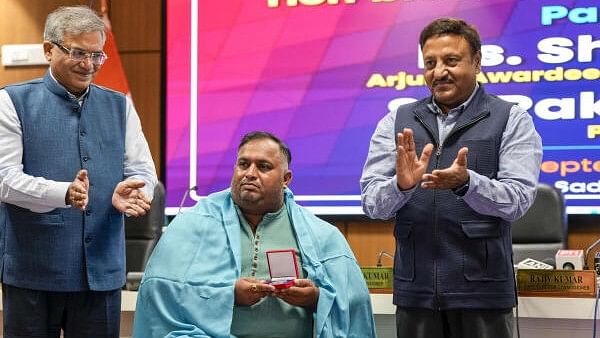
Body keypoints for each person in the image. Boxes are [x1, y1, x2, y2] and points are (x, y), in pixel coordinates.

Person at [360, 18, 542, 338]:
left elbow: (518, 199)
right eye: (430, 63)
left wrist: (467, 183)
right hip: (416, 294)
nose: (439, 71)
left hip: (482, 294)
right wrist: (401, 185)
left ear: (477, 62)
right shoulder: (396, 121)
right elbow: (372, 203)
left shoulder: (511, 118)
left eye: (451, 61)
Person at [0, 5, 157, 338]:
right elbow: (5, 180)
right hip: (33, 271)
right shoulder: (12, 102)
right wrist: (63, 194)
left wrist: (132, 190)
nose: (89, 65)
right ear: (48, 50)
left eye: (97, 56)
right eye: (78, 53)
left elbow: (143, 168)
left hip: (101, 271)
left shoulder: (119, 104)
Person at [133, 131, 376, 338]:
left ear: (286, 179)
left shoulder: (322, 235)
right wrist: (229, 295)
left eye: (263, 166)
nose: (250, 173)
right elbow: (160, 292)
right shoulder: (192, 225)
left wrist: (315, 299)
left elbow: (354, 306)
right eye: (243, 164)